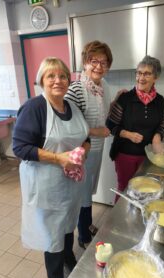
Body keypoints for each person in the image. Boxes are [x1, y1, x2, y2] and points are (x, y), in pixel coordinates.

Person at [12, 57, 90, 278]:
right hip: (46, 183)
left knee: (67, 222)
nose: (58, 80)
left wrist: (82, 152)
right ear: (42, 81)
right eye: (51, 76)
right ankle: (55, 276)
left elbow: (85, 138)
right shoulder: (34, 107)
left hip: (69, 182)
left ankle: (68, 258)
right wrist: (59, 158)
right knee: (52, 230)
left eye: (63, 75)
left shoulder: (72, 107)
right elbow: (20, 148)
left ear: (68, 80)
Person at [64, 40, 113, 249]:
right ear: (85, 62)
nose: (99, 66)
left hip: (97, 149)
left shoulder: (104, 87)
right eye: (94, 61)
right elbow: (66, 123)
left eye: (104, 62)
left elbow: (102, 113)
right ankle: (83, 236)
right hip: (81, 152)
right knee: (82, 193)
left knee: (89, 189)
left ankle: (88, 224)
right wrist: (94, 131)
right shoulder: (76, 88)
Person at [106, 55, 164, 202]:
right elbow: (110, 125)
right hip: (125, 155)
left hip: (148, 157)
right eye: (139, 73)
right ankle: (119, 222)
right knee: (125, 189)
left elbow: (162, 125)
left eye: (147, 74)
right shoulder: (125, 98)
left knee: (147, 192)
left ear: (156, 77)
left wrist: (157, 137)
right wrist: (127, 134)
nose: (141, 77)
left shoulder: (159, 101)